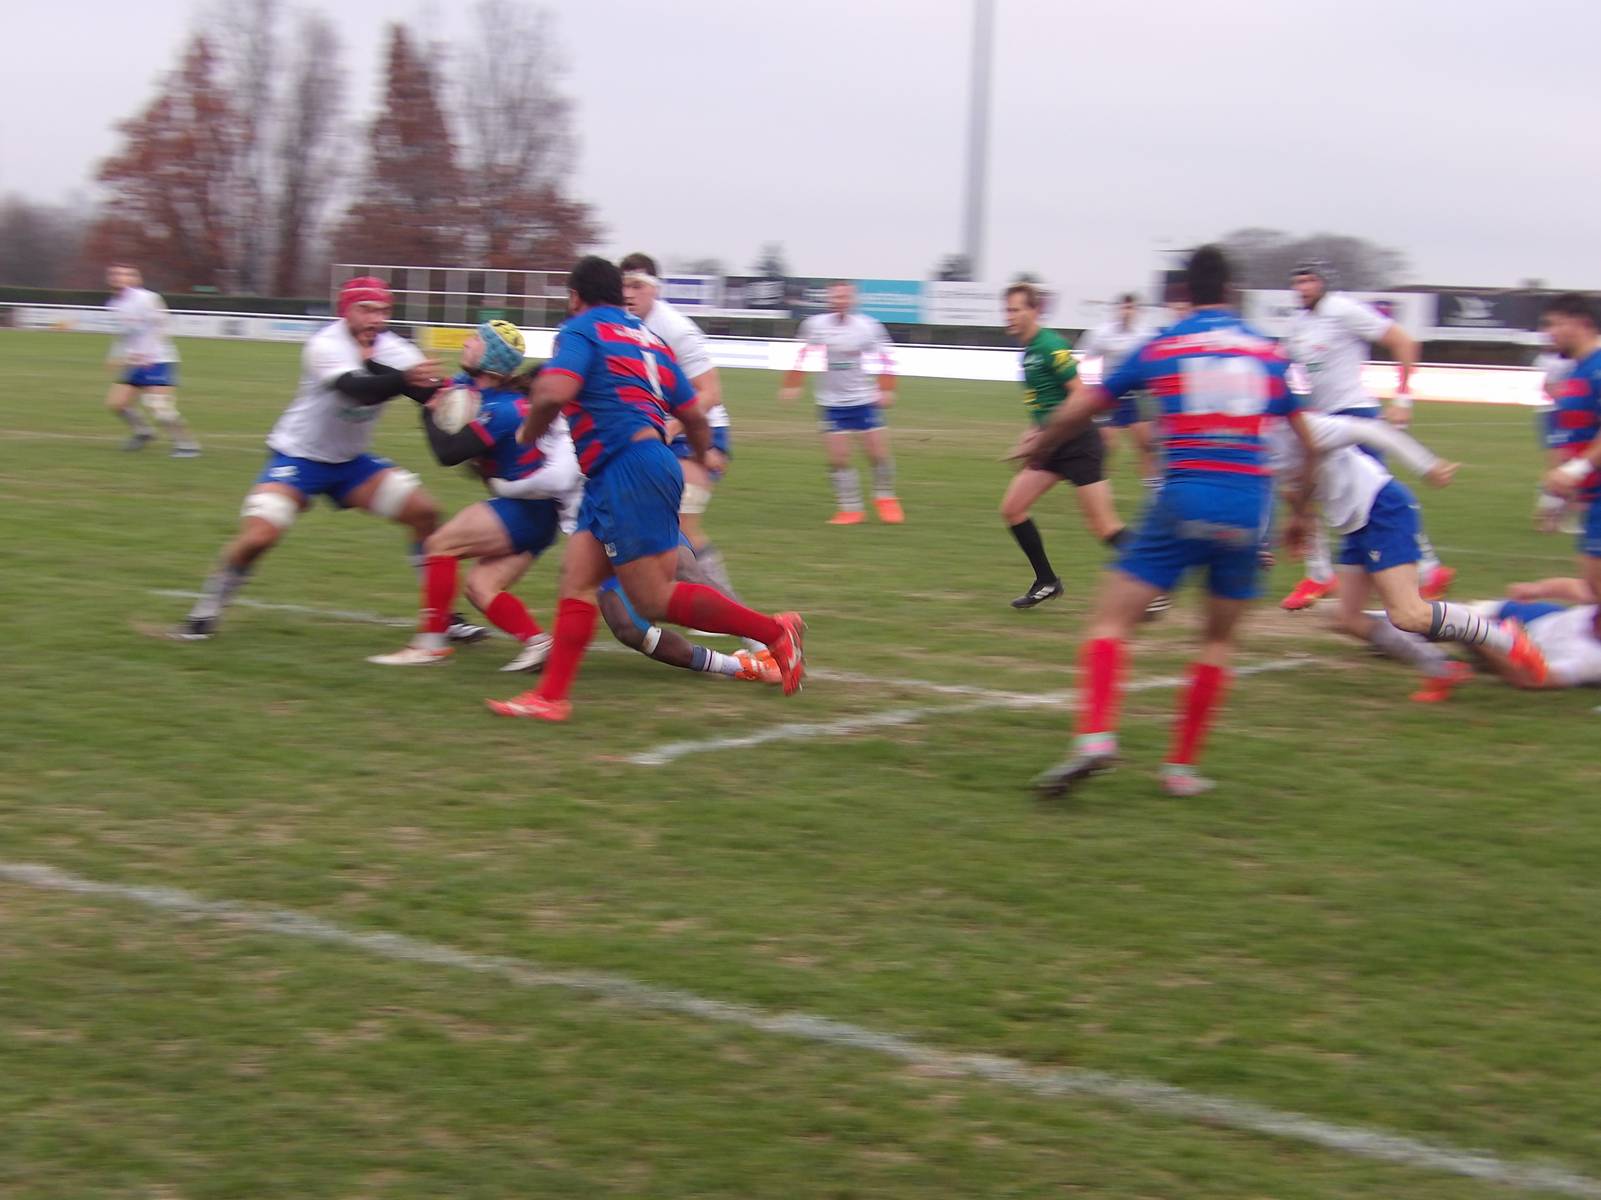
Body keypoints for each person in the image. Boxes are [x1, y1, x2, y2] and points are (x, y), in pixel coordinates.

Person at [1030, 245, 1320, 798]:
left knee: (1110, 622)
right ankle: (1180, 770)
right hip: (1248, 508)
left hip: (1184, 498)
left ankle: (1096, 737)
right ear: (1232, 293)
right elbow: (1311, 445)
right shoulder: (1268, 352)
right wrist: (1301, 516)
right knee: (1216, 641)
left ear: (1185, 293)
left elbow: (1085, 405)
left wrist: (1043, 443)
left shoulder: (1163, 345)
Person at [487, 257, 804, 722]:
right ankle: (551, 698)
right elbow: (692, 412)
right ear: (619, 295)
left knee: (653, 598)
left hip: (625, 468)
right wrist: (702, 453)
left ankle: (775, 632)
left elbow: (554, 391)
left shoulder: (581, 329)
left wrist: (529, 432)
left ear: (575, 298)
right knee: (577, 581)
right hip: (629, 468)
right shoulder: (649, 339)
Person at [169, 277, 455, 640]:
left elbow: (431, 394)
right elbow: (356, 389)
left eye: (383, 310)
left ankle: (443, 617)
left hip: (351, 464)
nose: (376, 318)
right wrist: (404, 380)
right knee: (259, 536)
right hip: (299, 458)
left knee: (425, 513)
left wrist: (453, 397)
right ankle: (206, 610)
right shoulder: (325, 344)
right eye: (366, 309)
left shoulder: (396, 349)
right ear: (345, 310)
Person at [1268, 411, 1546, 699]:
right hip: (1355, 524)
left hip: (1381, 509)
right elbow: (1294, 491)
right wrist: (1299, 525)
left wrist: (1426, 465)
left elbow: (1372, 430)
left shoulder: (1293, 426)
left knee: (1409, 614)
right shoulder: (1256, 445)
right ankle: (1442, 669)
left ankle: (1508, 638)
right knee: (1347, 617)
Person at [368, 322, 578, 671]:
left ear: (492, 357)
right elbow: (423, 389)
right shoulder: (472, 387)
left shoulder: (504, 409)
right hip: (538, 515)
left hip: (525, 509)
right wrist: (366, 363)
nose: (467, 342)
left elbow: (449, 453)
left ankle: (430, 644)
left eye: (476, 340)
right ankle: (539, 643)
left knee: (440, 545)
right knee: (481, 588)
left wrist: (429, 414)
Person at [1277, 262, 1454, 609]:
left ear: (1324, 283)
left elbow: (1402, 340)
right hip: (1321, 418)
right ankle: (1319, 574)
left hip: (1354, 413)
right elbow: (1280, 364)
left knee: (1377, 494)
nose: (1303, 287)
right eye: (1298, 281)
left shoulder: (1343, 309)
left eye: (1310, 280)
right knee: (1300, 491)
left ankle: (1428, 570)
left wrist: (1402, 398)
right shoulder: (1298, 325)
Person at [619, 253, 758, 647]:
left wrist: (679, 429)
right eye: (623, 286)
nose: (628, 294)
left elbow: (711, 392)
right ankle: (681, 606)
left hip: (702, 432)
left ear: (655, 289)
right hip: (659, 434)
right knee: (654, 527)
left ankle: (742, 623)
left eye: (637, 286)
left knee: (683, 528)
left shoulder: (676, 329)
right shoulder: (621, 325)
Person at [999, 282, 1129, 609]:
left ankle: (1155, 579)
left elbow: (1080, 394)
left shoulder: (1050, 345)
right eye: (1007, 310)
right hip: (1051, 445)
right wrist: (1032, 435)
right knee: (1012, 509)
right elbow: (1045, 405)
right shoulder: (1028, 353)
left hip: (1077, 443)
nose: (1009, 316)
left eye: (1016, 309)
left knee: (1103, 525)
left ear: (1034, 311)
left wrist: (1046, 434)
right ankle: (1046, 581)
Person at [779, 282, 903, 525]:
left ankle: (885, 498)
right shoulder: (815, 325)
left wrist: (887, 389)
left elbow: (886, 357)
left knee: (877, 454)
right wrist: (792, 384)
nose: (840, 301)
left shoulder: (868, 326)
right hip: (831, 402)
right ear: (829, 299)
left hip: (863, 399)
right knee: (839, 458)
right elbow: (802, 355)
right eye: (836, 297)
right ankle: (850, 509)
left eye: (845, 296)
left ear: (853, 300)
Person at [1525, 294, 1601, 611]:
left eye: (1555, 324)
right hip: (1591, 499)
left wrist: (1575, 470)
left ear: (1581, 323)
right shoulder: (1575, 373)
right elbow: (1568, 439)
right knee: (1593, 588)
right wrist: (1555, 498)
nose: (1549, 333)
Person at [104, 263, 200, 457]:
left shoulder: (147, 298)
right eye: (115, 273)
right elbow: (123, 335)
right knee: (117, 404)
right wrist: (114, 356)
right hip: (133, 362)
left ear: (135, 279)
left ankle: (187, 445)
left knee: (159, 406)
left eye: (125, 274)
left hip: (158, 360)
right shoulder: (114, 304)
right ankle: (143, 432)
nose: (118, 277)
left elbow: (162, 325)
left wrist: (147, 353)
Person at [1076, 292, 1159, 481]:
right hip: (1109, 393)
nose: (1127, 312)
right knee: (1106, 444)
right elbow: (1087, 360)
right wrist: (1090, 387)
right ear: (1116, 309)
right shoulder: (1101, 334)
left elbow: (1155, 361)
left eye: (1131, 307)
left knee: (1147, 444)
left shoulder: (1146, 334)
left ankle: (1153, 485)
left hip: (1136, 394)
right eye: (1124, 307)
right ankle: (1096, 482)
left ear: (1137, 311)